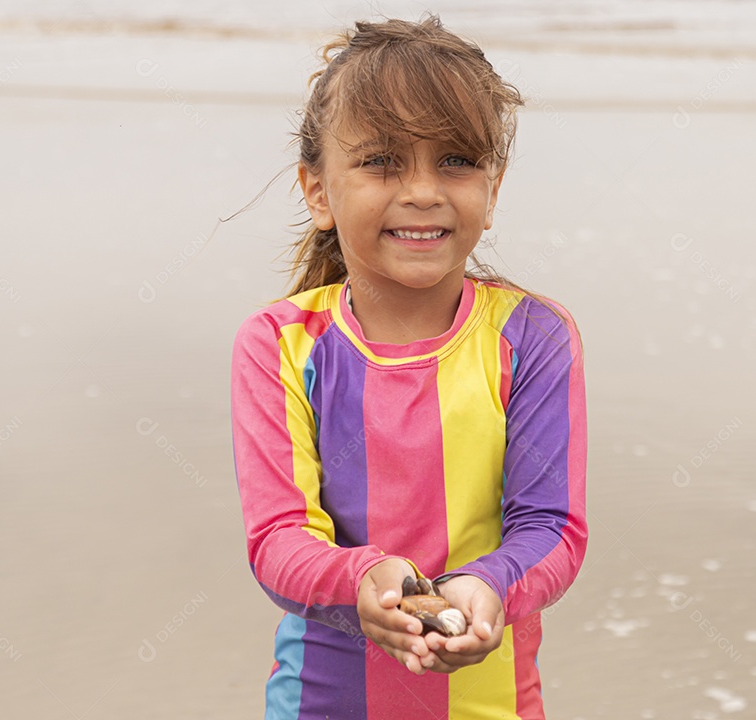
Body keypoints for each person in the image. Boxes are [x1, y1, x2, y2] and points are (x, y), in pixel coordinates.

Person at [230, 14, 587, 719]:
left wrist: (489, 584)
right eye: (381, 160)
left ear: (493, 188)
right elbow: (277, 540)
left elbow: (552, 529)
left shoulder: (533, 338)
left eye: (456, 160)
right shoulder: (278, 343)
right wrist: (364, 579)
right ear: (318, 190)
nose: (423, 190)